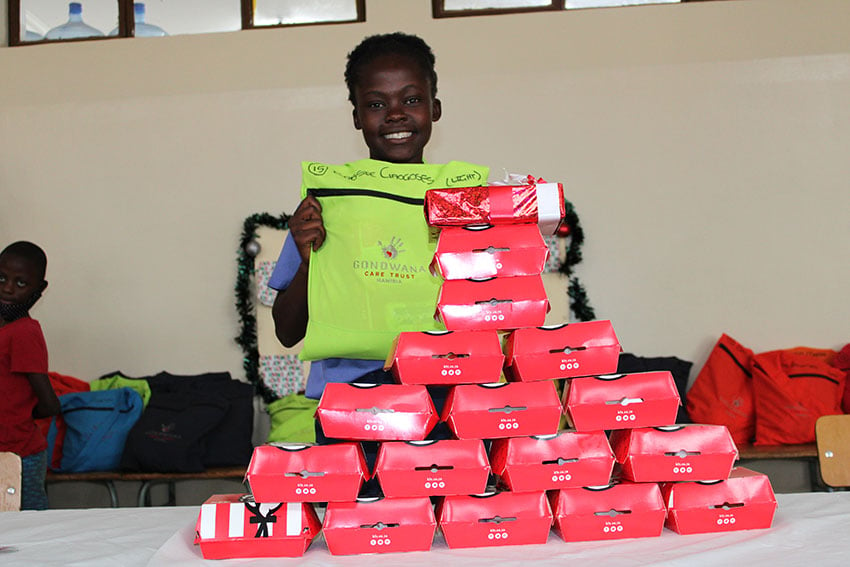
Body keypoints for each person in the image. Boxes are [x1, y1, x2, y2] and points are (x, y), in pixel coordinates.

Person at [268, 33, 487, 455]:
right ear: (356, 116)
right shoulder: (325, 206)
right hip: (353, 401)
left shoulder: (464, 203)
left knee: (451, 513)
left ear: (434, 108)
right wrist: (309, 260)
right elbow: (287, 331)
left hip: (449, 393)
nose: (395, 115)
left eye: (412, 100)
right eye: (376, 104)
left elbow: (495, 306)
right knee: (364, 517)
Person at [0, 241, 60, 510]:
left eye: (21, 283)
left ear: (40, 289)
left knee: (30, 529)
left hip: (20, 456)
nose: (8, 288)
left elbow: (49, 403)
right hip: (7, 450)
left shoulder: (24, 333)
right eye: (1, 278)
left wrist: (16, 414)